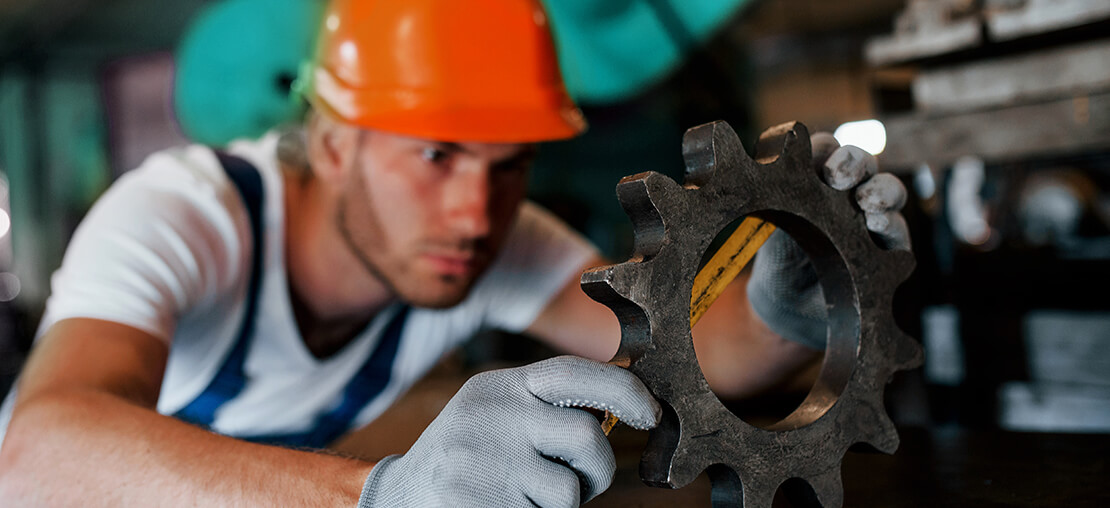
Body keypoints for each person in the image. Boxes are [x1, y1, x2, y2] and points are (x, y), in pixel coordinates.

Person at [0, 0, 910, 506]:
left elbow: (702, 361)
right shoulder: (185, 213)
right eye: (435, 156)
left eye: (507, 165)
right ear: (331, 143)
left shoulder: (489, 245)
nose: (476, 211)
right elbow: (37, 452)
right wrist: (385, 497)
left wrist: (796, 300)